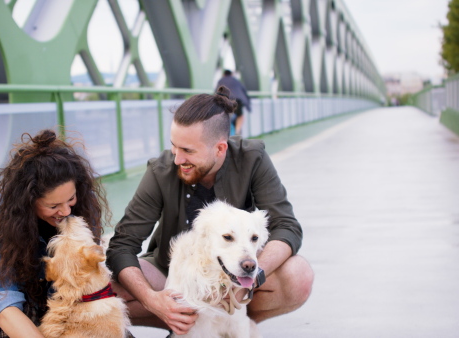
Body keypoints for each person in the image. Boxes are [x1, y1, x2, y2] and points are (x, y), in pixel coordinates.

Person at [107, 85, 314, 336]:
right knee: (100, 288)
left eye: (188, 151)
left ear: (219, 149)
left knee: (298, 275)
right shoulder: (160, 170)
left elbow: (287, 226)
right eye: (175, 147)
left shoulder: (252, 158)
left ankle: (235, 323)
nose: (177, 159)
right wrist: (153, 300)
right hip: (173, 279)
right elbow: (122, 246)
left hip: (236, 281)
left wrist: (251, 276)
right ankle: (184, 325)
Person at [0, 129, 111, 338]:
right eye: (53, 206)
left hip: (65, 299)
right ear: (28, 200)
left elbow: (83, 281)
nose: (67, 212)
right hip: (25, 302)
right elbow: (1, 299)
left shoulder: (83, 207)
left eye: (71, 199)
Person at [216, 69, 251, 135]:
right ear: (231, 74)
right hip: (237, 100)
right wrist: (247, 104)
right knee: (240, 116)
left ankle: (224, 134)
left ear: (223, 74)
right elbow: (244, 92)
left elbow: (216, 92)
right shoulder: (236, 81)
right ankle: (237, 132)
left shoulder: (220, 81)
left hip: (225, 100)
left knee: (225, 116)